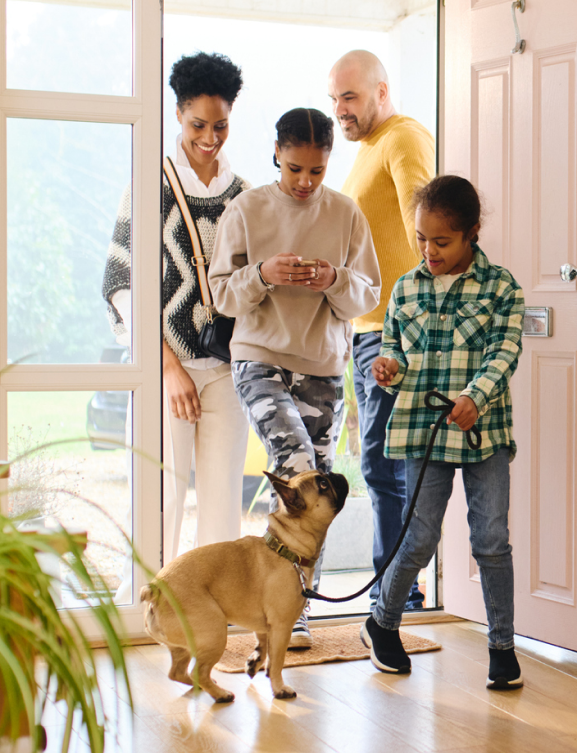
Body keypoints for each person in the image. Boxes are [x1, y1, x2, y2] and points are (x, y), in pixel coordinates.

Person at [208, 108, 381, 648]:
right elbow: (220, 293)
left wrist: (333, 278)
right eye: (295, 169)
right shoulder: (247, 209)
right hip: (258, 356)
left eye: (317, 171)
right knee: (300, 471)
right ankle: (278, 607)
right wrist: (262, 274)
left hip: (323, 366)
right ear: (277, 155)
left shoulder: (347, 214)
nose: (306, 182)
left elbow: (368, 294)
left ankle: (289, 609)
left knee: (319, 491)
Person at [360, 175, 525, 691]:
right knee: (420, 537)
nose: (429, 251)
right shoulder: (406, 288)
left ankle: (502, 646)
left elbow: (505, 352)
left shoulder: (502, 288)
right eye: (421, 240)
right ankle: (382, 624)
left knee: (491, 540)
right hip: (421, 432)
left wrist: (475, 396)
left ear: (471, 233)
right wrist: (388, 368)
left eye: (442, 242)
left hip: (483, 431)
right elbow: (398, 354)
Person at [102, 51, 250, 570]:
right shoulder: (150, 185)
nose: (210, 137)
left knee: (221, 508)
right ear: (178, 115)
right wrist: (166, 366)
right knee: (158, 500)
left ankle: (218, 614)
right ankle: (146, 611)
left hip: (226, 373)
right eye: (198, 124)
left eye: (221, 125)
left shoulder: (243, 196)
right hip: (164, 370)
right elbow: (122, 283)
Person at [328, 49, 435, 611]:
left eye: (350, 96)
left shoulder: (402, 138)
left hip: (395, 330)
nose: (340, 109)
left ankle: (398, 592)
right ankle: (398, 589)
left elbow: (427, 229)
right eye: (335, 99)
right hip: (367, 329)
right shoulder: (368, 149)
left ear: (382, 91)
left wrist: (410, 324)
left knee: (386, 461)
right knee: (379, 462)